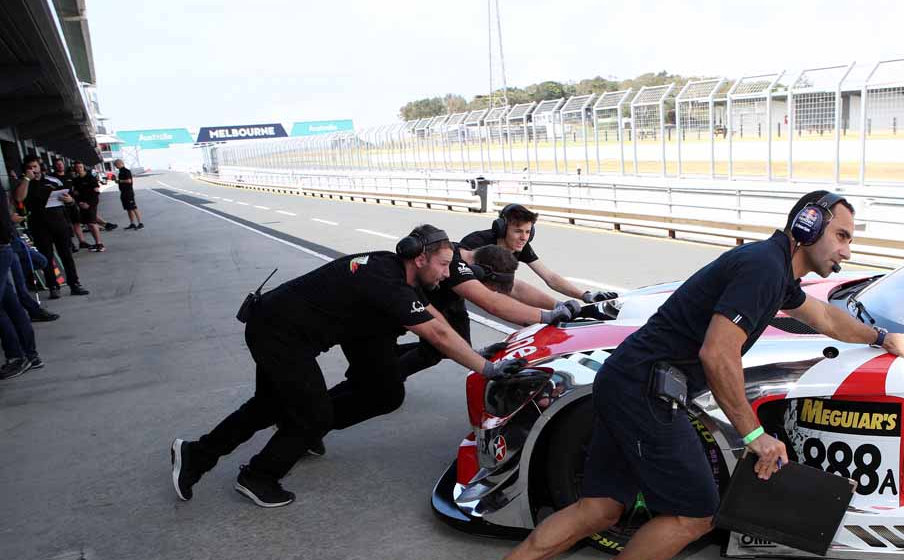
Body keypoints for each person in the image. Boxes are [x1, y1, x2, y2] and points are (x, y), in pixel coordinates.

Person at [454, 191, 904, 560]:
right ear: (808, 226)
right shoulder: (763, 268)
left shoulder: (775, 270)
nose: (847, 250)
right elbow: (717, 353)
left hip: (628, 381)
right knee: (696, 512)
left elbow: (823, 315)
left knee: (600, 507)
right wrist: (755, 436)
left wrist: (883, 337)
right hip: (644, 390)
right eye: (841, 236)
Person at [169, 225, 527, 508]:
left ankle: (196, 455)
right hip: (278, 334)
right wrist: (487, 369)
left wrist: (475, 354)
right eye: (443, 265)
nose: (448, 274)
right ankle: (258, 476)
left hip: (281, 327)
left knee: (272, 405)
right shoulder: (388, 283)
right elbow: (437, 334)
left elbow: (437, 321)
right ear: (420, 258)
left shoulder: (396, 271)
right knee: (314, 415)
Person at [393, 239, 583, 380]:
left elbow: (515, 288)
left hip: (445, 299)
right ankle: (389, 378)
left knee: (456, 345)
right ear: (479, 273)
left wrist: (557, 306)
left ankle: (392, 359)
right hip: (403, 300)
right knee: (437, 347)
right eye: (491, 288)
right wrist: (546, 316)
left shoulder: (476, 257)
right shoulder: (456, 268)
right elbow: (492, 303)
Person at [459, 204, 620, 308]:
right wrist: (557, 307)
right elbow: (513, 288)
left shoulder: (520, 246)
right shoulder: (476, 242)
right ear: (501, 229)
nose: (524, 238)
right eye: (518, 231)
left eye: (528, 232)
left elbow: (550, 277)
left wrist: (585, 296)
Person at [12, 157, 87, 299]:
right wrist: (27, 179)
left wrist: (70, 201)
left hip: (59, 222)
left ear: (40, 167)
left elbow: (69, 198)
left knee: (66, 255)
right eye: (29, 167)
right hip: (38, 225)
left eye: (35, 166)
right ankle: (53, 286)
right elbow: (19, 198)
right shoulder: (23, 183)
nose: (33, 169)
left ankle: (74, 284)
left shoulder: (53, 181)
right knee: (46, 256)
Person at [0, 184, 41, 379]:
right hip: (4, 247)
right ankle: (30, 356)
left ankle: (17, 356)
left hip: (2, 248)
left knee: (8, 306)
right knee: (11, 304)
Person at [70, 161, 106, 252]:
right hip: (82, 204)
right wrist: (79, 203)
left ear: (83, 168)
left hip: (91, 204)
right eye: (77, 167)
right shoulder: (76, 180)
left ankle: (100, 244)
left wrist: (89, 204)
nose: (79, 169)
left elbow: (96, 193)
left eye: (80, 167)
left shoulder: (91, 178)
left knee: (92, 223)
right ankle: (97, 243)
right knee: (88, 224)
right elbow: (75, 194)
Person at [115, 160, 143, 229]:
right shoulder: (121, 172)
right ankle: (132, 223)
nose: (115, 166)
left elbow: (129, 181)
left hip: (128, 192)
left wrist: (119, 181)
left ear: (120, 164)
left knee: (134, 208)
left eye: (116, 165)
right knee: (128, 209)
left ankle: (140, 223)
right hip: (123, 192)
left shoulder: (126, 171)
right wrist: (118, 181)